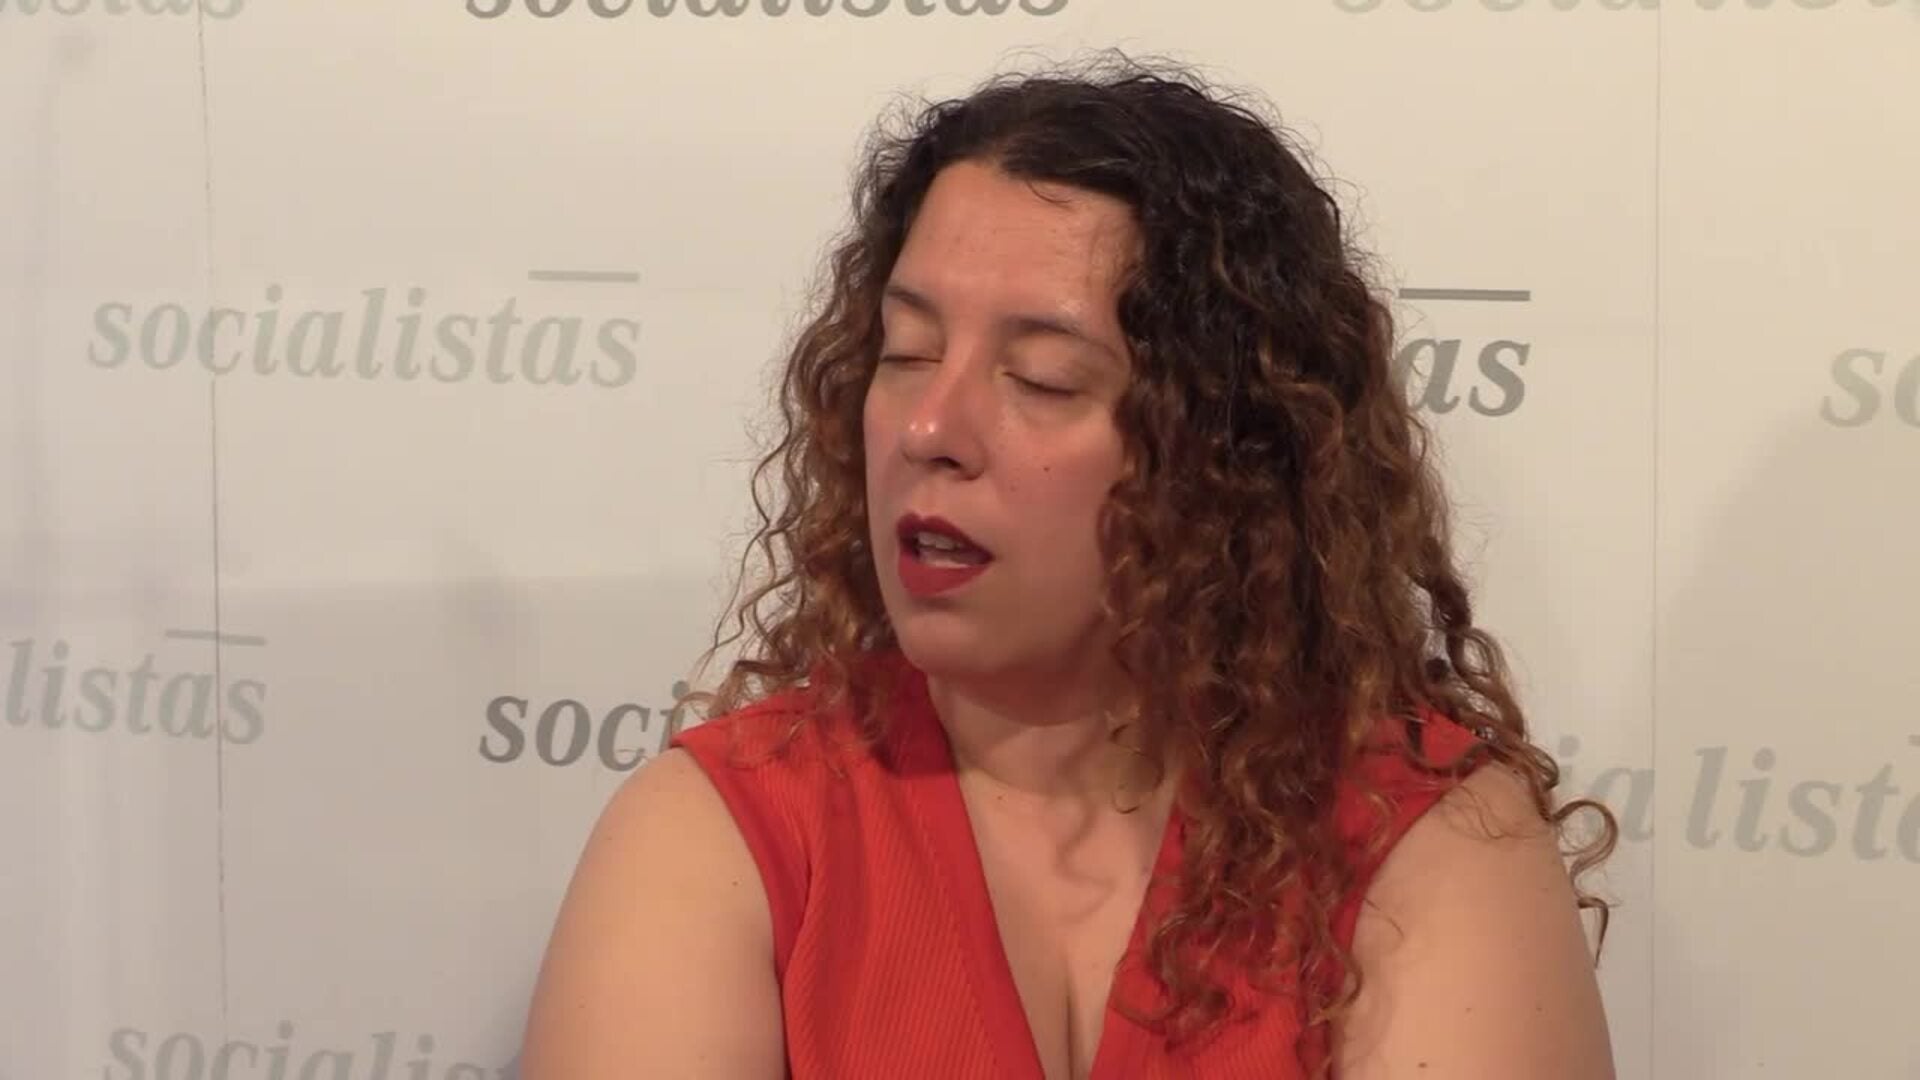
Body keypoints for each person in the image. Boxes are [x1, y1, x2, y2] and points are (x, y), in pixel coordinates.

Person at [519, 51, 1619, 1080]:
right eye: (906, 354)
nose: (929, 429)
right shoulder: (731, 831)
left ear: (1224, 451)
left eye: (1042, 378)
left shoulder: (1418, 833)